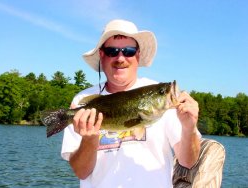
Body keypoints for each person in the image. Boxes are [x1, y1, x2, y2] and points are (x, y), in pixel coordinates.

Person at [61, 19, 201, 188]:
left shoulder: (168, 104)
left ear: (138, 55)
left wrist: (189, 127)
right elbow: (81, 172)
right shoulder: (82, 101)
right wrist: (89, 139)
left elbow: (188, 162)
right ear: (102, 55)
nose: (120, 58)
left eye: (128, 51)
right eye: (112, 51)